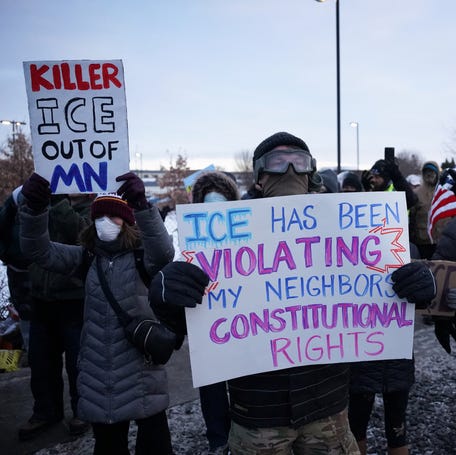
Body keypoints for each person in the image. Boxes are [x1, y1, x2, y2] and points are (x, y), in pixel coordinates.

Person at [18, 171, 198, 455]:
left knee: (155, 447)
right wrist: (34, 209)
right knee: (109, 447)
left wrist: (143, 206)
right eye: (99, 217)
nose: (106, 222)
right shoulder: (85, 257)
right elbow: (38, 250)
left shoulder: (142, 257)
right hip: (98, 377)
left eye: (113, 217)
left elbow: (164, 252)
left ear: (126, 222)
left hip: (142, 371)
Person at [221, 132, 360, 454]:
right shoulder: (224, 239)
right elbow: (195, 313)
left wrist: (407, 282)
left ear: (311, 172)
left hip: (326, 402)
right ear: (258, 177)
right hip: (258, 410)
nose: (290, 172)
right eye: (277, 163)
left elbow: (374, 282)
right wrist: (170, 291)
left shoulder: (344, 228)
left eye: (298, 162)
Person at [18, 193, 92, 441]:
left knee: (78, 363)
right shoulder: (43, 203)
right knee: (41, 362)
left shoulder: (94, 208)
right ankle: (45, 411)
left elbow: (80, 234)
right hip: (41, 298)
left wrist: (60, 203)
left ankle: (82, 411)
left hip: (74, 300)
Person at [191, 170, 240, 455]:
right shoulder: (190, 243)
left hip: (241, 324)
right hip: (207, 324)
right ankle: (218, 438)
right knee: (212, 389)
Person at [408, 161, 440, 260]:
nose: (429, 174)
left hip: (440, 243)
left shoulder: (444, 192)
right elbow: (411, 217)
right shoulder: (416, 193)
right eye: (427, 171)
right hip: (421, 243)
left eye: (432, 171)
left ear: (437, 173)